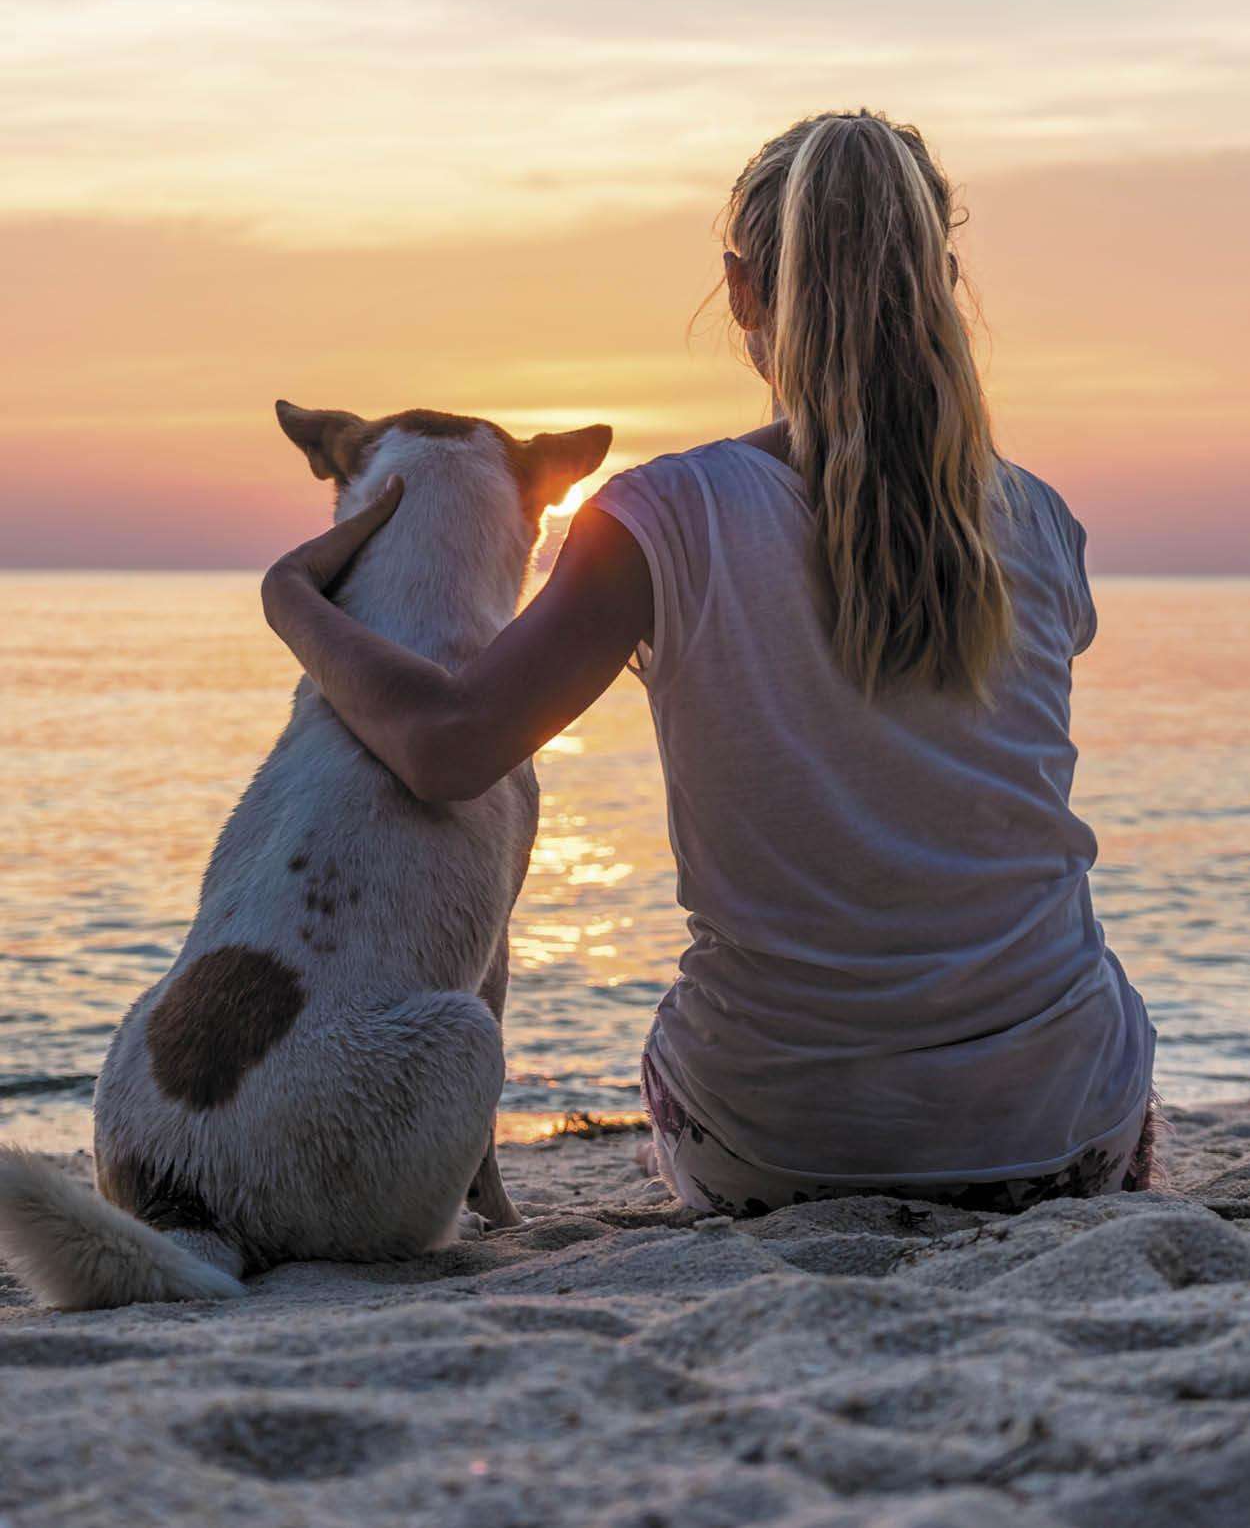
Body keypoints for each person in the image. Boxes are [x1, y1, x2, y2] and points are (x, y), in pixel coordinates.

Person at [261, 109, 1156, 1217]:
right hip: (1062, 1131)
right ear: (942, 279)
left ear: (740, 293)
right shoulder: (1038, 521)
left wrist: (293, 598)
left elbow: (447, 749)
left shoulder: (661, 518)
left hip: (774, 1143)